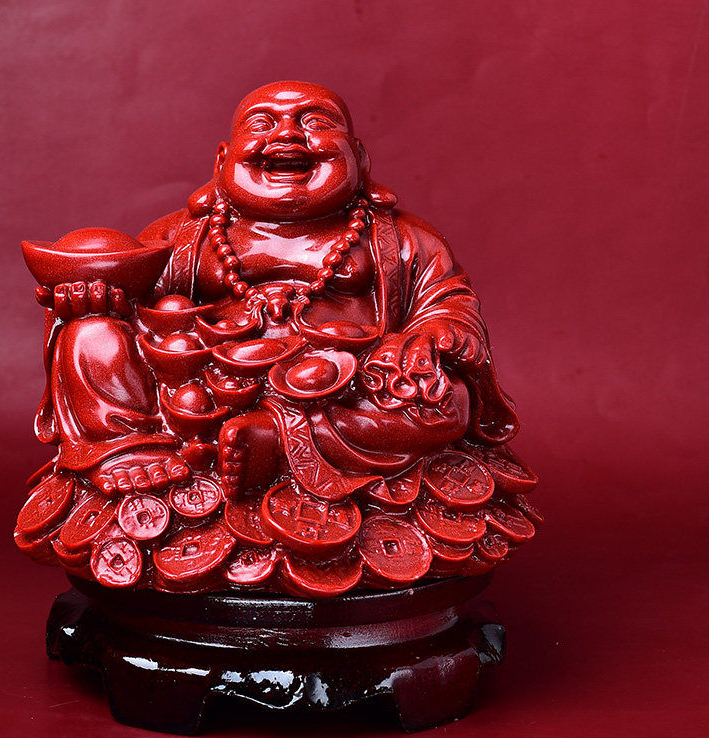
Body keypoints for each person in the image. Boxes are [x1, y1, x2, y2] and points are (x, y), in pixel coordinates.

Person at [35, 81, 518, 501]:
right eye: (262, 123)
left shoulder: (403, 238)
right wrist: (94, 300)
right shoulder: (178, 237)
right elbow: (136, 313)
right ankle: (127, 448)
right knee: (88, 335)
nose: (287, 134)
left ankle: (276, 439)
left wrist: (427, 337)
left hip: (345, 387)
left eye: (314, 122)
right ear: (222, 160)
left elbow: (447, 301)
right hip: (202, 386)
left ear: (360, 157)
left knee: (449, 403)